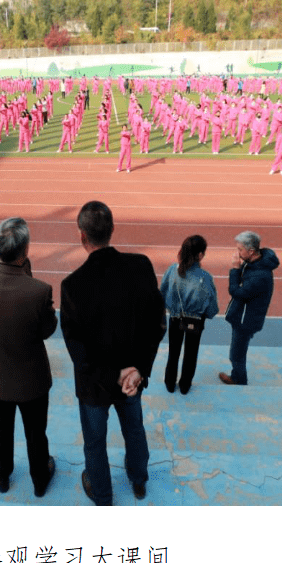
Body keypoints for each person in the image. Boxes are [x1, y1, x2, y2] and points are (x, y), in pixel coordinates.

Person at [61, 201, 166, 505]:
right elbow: (156, 325)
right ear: (112, 230)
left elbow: (78, 352)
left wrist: (113, 374)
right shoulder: (141, 266)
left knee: (95, 443)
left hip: (95, 385)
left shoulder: (72, 286)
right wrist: (138, 371)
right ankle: (138, 480)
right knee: (134, 430)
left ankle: (103, 496)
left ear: (82, 237)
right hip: (132, 379)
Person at [0, 217, 57, 498]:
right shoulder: (39, 291)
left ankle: (1, 473)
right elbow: (47, 330)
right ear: (25, 251)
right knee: (35, 433)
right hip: (33, 381)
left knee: (1, 431)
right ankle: (40, 478)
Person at [159, 235, 219, 395]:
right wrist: (207, 314)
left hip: (175, 318)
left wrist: (172, 308)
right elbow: (212, 305)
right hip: (196, 320)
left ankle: (170, 383)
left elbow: (162, 293)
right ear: (200, 255)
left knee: (173, 351)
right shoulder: (205, 277)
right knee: (191, 354)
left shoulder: (173, 270)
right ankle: (185, 385)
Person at [219, 231, 280, 386]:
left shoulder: (259, 276)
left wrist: (235, 269)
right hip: (245, 316)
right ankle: (238, 376)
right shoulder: (255, 263)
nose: (237, 253)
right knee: (238, 351)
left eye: (240, 249)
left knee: (236, 354)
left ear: (251, 251)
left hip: (245, 320)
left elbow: (237, 292)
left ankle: (238, 380)